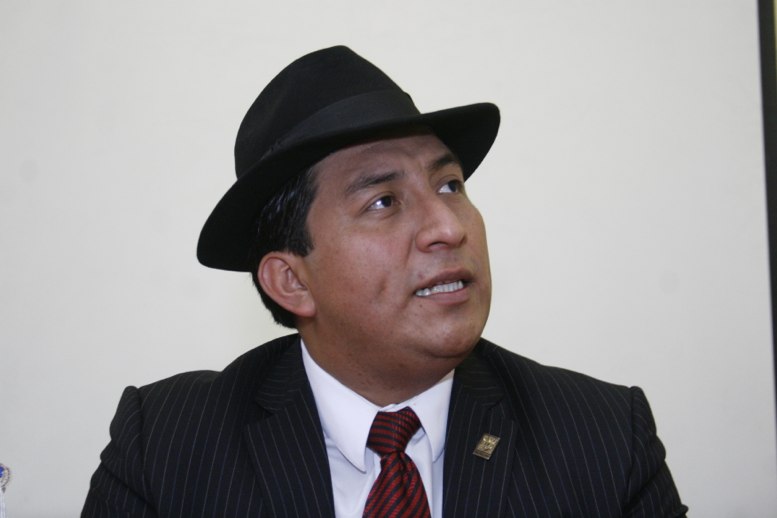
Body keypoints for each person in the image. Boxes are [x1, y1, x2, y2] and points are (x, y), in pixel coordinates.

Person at [82, 46, 687, 517]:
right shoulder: (167, 445)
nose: (448, 227)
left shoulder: (604, 436)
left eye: (450, 185)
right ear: (291, 281)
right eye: (384, 201)